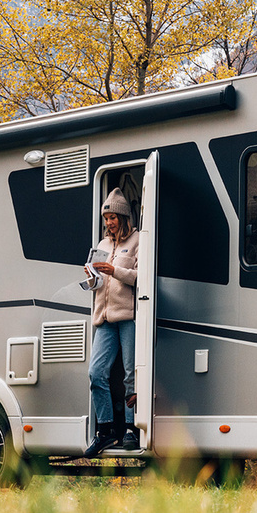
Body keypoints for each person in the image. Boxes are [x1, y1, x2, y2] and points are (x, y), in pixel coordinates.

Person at [84, 188, 140, 457]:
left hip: (127, 316)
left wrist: (114, 270)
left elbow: (139, 276)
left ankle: (130, 428)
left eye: (113, 217)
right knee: (96, 373)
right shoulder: (102, 245)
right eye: (106, 218)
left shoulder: (138, 240)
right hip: (104, 318)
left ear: (123, 217)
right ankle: (105, 430)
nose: (109, 223)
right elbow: (96, 284)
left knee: (131, 375)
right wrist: (91, 278)